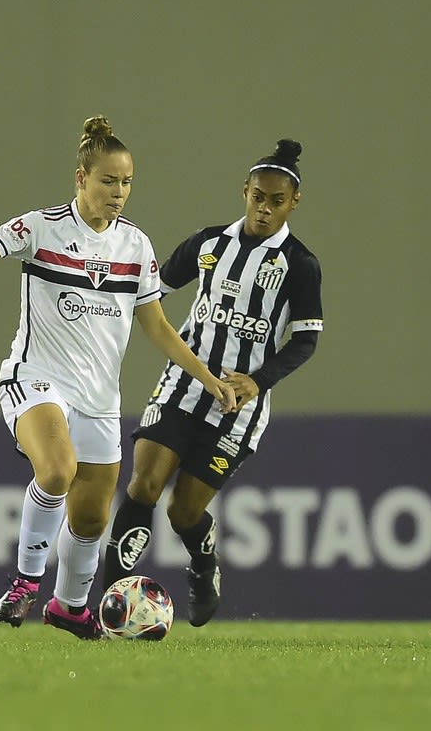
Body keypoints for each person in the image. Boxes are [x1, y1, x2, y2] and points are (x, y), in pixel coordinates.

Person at [0, 116, 236, 640]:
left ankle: (69, 608)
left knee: (93, 521)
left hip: (99, 398)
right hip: (36, 378)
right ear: (81, 178)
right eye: (107, 181)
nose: (118, 193)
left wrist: (208, 378)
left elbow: (158, 327)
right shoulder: (41, 227)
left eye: (126, 183)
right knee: (56, 470)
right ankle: (24, 584)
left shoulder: (136, 248)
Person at [102, 138, 323, 626]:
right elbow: (148, 293)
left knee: (183, 512)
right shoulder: (207, 244)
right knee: (144, 483)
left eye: (277, 201)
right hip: (182, 386)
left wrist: (257, 381)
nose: (265, 209)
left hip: (237, 411)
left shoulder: (300, 266)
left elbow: (305, 341)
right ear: (245, 190)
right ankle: (107, 608)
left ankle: (203, 563)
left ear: (294, 202)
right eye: (258, 197)